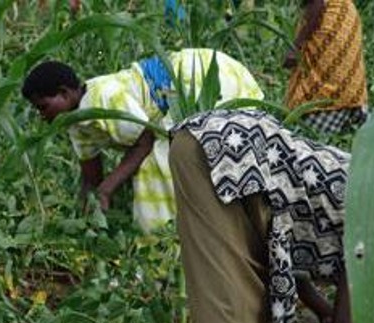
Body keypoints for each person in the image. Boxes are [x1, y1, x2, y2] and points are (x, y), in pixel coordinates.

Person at [168, 108, 374, 323]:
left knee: (259, 322)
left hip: (228, 157)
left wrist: (323, 311)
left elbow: (297, 271)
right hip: (225, 156)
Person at [22, 49, 264, 232]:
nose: (42, 115)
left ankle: (164, 236)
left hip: (197, 76)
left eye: (43, 107)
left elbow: (144, 141)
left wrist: (107, 189)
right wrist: (84, 215)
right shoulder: (76, 123)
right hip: (181, 88)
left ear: (65, 93)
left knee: (158, 165)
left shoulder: (104, 98)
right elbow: (90, 174)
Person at [284, 0, 368, 135]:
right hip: (344, 16)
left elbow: (316, 3)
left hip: (327, 16)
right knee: (344, 73)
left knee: (320, 80)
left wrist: (296, 46)